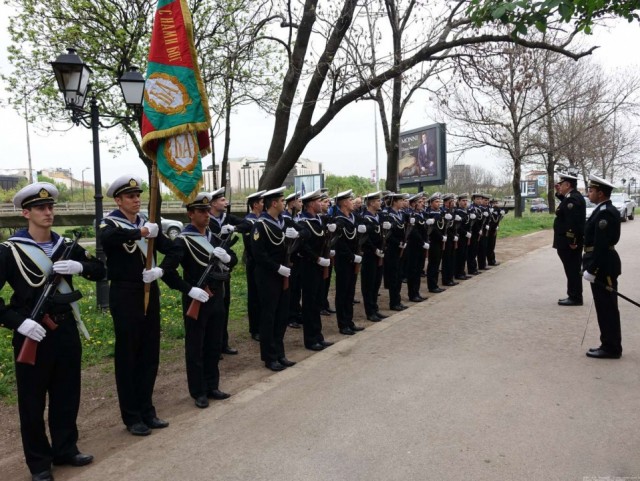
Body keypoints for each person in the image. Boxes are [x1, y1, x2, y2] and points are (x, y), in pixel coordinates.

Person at [0, 182, 105, 481]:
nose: (48, 212)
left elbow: (101, 271)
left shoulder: (65, 247)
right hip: (32, 331)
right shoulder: (10, 251)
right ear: (26, 213)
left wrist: (80, 268)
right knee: (32, 402)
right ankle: (39, 463)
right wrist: (17, 322)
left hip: (65, 328)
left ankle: (65, 448)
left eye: (50, 207)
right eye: (40, 208)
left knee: (66, 393)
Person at [99, 175, 176, 436]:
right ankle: (131, 416)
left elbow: (175, 250)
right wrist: (140, 232)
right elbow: (109, 239)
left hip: (149, 289)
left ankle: (147, 410)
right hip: (125, 293)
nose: (136, 200)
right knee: (129, 355)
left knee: (149, 353)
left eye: (138, 195)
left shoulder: (148, 224)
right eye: (130, 196)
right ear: (118, 200)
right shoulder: (109, 223)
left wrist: (161, 271)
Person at [160, 193, 234, 409]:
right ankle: (198, 391)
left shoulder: (214, 238)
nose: (206, 215)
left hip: (216, 296)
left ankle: (212, 385)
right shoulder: (182, 241)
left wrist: (229, 258)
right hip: (197, 298)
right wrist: (189, 290)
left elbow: (231, 263)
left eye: (207, 210)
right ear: (190, 214)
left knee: (213, 343)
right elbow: (167, 271)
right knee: (196, 346)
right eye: (201, 211)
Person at [251, 187, 298, 371]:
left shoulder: (283, 222)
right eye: (281, 200)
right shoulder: (260, 225)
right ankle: (269, 357)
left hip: (283, 274)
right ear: (274, 203)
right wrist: (277, 267)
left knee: (281, 315)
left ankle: (280, 353)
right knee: (269, 316)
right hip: (268, 276)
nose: (284, 203)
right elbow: (258, 254)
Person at [582, 174, 622, 359]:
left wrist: (593, 269)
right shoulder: (602, 209)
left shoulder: (605, 212)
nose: (589, 193)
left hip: (603, 266)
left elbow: (602, 245)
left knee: (607, 307)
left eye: (591, 190)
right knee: (604, 306)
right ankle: (608, 343)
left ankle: (611, 347)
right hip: (602, 263)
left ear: (600, 193)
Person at [296, 189, 335, 351]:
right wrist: (317, 258)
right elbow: (302, 246)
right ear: (311, 204)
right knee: (310, 303)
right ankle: (310, 339)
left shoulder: (319, 220)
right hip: (309, 267)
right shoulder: (302, 222)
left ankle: (318, 335)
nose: (322, 203)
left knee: (317, 301)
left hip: (320, 266)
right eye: (319, 201)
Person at [208, 187, 242, 355]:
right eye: (222, 200)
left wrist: (234, 229)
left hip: (224, 267)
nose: (225, 202)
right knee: (213, 311)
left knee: (224, 306)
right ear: (213, 203)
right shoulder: (207, 220)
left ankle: (223, 343)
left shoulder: (226, 218)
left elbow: (247, 223)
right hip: (210, 269)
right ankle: (214, 346)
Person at [332, 189, 366, 335]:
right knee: (342, 292)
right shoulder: (338, 220)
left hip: (354, 260)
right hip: (343, 261)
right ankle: (343, 324)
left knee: (350, 292)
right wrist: (352, 257)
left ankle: (349, 321)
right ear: (344, 203)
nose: (353, 203)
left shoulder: (354, 217)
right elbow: (339, 244)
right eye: (351, 200)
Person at [234, 190, 266, 341]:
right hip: (253, 262)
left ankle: (263, 325)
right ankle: (255, 329)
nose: (263, 204)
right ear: (255, 205)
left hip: (264, 263)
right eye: (261, 202)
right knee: (254, 295)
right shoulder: (249, 221)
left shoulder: (264, 219)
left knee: (263, 295)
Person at [553, 172, 586, 306]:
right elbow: (566, 209)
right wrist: (559, 194)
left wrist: (573, 241)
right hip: (566, 242)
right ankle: (573, 294)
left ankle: (575, 297)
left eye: (561, 184)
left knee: (572, 269)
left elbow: (572, 222)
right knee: (571, 269)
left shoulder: (573, 199)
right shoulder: (571, 198)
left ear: (568, 185)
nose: (559, 186)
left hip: (569, 243)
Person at [360, 191, 389, 321]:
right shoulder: (364, 218)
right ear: (371, 203)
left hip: (379, 254)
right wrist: (374, 249)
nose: (380, 203)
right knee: (369, 284)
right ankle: (369, 311)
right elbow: (365, 239)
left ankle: (375, 308)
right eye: (378, 201)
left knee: (376, 283)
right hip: (369, 255)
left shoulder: (379, 216)